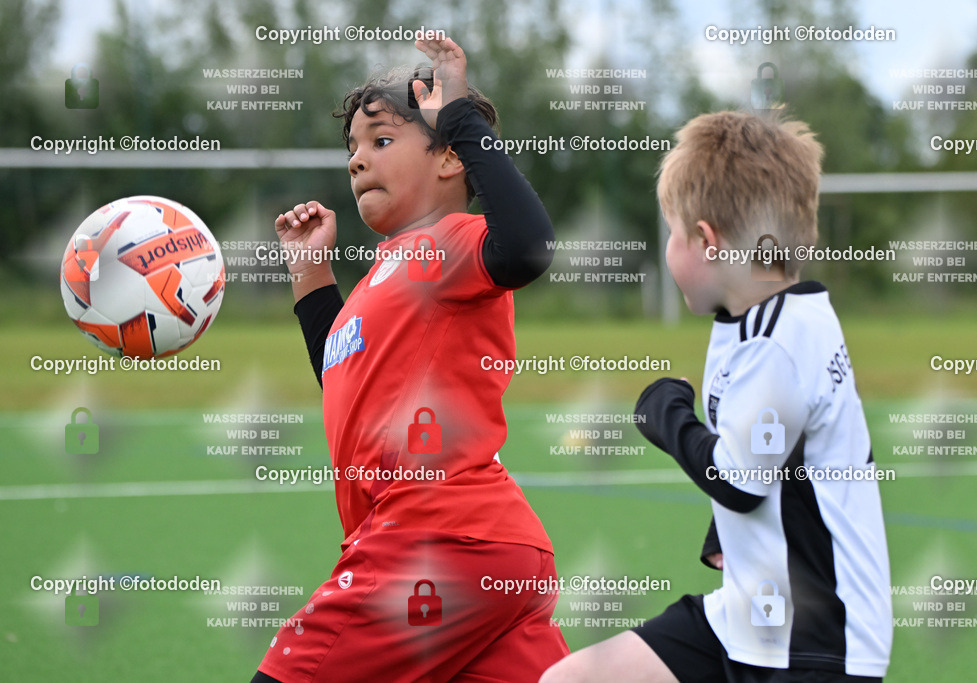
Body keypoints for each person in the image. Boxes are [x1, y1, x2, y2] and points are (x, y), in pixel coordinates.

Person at [251, 36, 568, 683]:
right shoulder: (384, 275)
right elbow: (345, 374)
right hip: (497, 554)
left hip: (433, 539)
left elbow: (528, 247)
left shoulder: (449, 245)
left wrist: (459, 116)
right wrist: (311, 271)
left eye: (381, 140)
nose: (358, 160)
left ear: (451, 158)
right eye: (353, 149)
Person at [541, 111, 892, 682]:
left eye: (673, 233)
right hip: (743, 621)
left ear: (707, 241)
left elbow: (738, 479)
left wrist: (663, 411)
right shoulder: (751, 322)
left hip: (814, 647)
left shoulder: (778, 340)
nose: (669, 251)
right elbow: (767, 452)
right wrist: (721, 536)